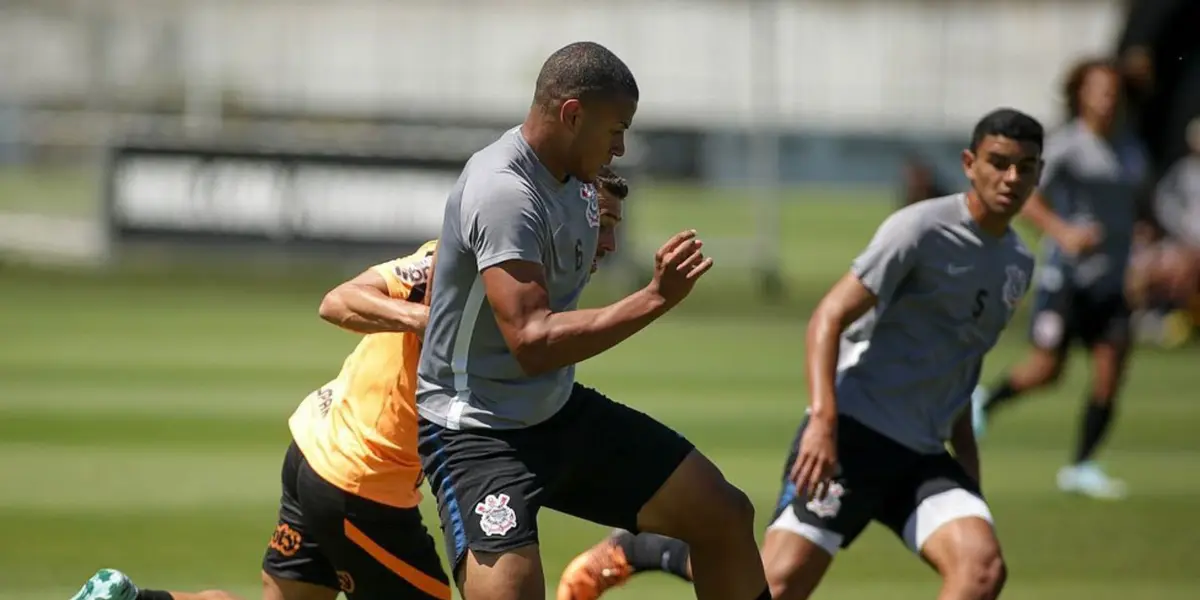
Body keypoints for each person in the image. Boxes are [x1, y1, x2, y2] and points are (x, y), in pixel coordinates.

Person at [66, 167, 635, 600]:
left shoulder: (530, 291)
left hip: (320, 451)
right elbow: (338, 300)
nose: (605, 244)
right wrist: (430, 322)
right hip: (359, 484)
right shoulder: (466, 265)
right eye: (601, 223)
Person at [557, 108, 1044, 600]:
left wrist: (969, 472)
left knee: (981, 569)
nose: (1011, 178)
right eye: (999, 162)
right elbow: (828, 318)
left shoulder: (1017, 265)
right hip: (852, 440)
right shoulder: (919, 229)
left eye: (1025, 167)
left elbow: (962, 364)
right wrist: (823, 423)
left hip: (923, 457)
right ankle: (650, 549)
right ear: (969, 162)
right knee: (771, 585)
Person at [415, 41, 769, 600]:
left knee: (723, 514)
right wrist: (653, 297)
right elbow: (532, 342)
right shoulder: (504, 191)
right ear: (572, 115)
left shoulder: (578, 178)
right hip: (477, 432)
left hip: (554, 411)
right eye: (615, 130)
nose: (621, 147)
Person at [971, 59, 1149, 500]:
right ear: (1081, 95)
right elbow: (1026, 198)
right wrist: (1063, 233)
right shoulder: (1068, 146)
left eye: (1113, 91)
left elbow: (1136, 209)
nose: (1107, 100)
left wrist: (1142, 251)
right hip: (1068, 279)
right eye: (1098, 90)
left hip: (1113, 281)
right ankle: (983, 402)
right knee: (1046, 370)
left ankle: (1082, 465)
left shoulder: (1131, 149)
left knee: (1111, 372)